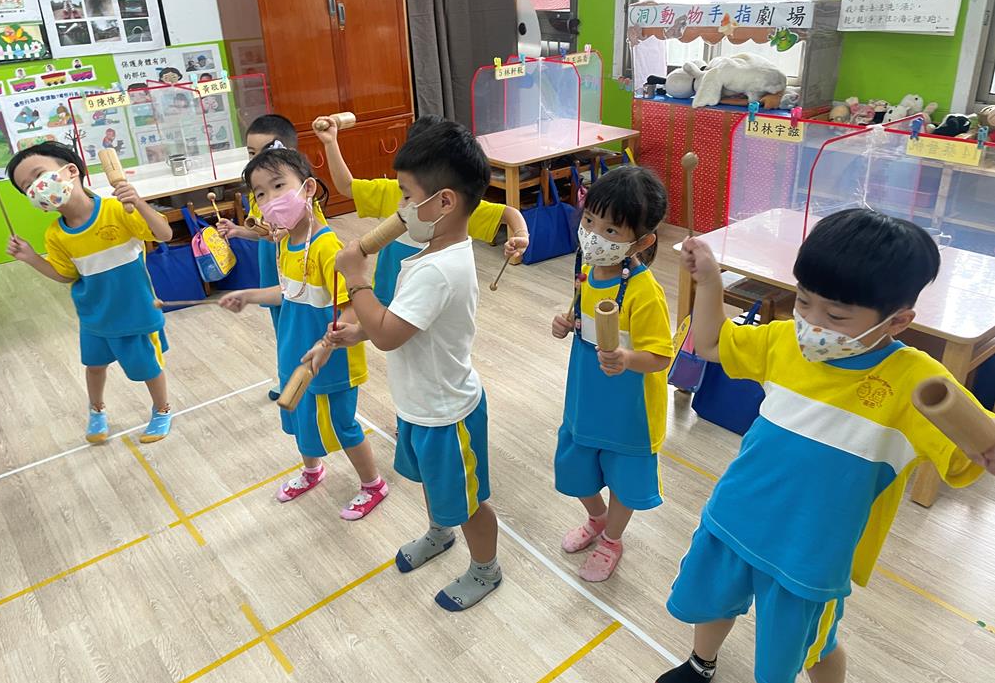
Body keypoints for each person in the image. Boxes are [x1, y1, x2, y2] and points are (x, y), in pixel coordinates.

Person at [660, 209, 995, 683]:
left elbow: (971, 456)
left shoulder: (916, 380)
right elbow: (712, 343)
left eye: (836, 315)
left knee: (812, 648)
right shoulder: (784, 341)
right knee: (713, 601)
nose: (811, 323)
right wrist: (711, 281)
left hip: (810, 554)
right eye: (803, 300)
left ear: (898, 321)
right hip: (735, 514)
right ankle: (701, 663)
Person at [333, 119, 500, 611]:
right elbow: (401, 323)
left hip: (447, 413)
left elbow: (388, 335)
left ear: (445, 202)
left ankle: (486, 569)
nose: (401, 209)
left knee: (468, 502)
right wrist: (360, 329)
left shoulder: (439, 269)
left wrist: (357, 280)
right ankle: (438, 532)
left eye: (407, 196)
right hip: (418, 404)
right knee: (433, 483)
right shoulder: (431, 254)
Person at [218, 148, 388, 520]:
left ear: (307, 188)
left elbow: (349, 307)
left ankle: (373, 484)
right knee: (300, 419)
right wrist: (249, 295)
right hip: (294, 353)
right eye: (261, 193)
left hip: (331, 362)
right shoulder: (284, 244)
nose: (270, 199)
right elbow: (288, 292)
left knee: (342, 426)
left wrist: (326, 345)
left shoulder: (327, 247)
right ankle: (312, 470)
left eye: (279, 186)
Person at [5, 142, 175, 444]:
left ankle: (162, 409)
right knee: (94, 367)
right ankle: (96, 410)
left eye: (38, 175)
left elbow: (164, 234)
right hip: (94, 316)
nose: (35, 187)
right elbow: (66, 275)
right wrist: (31, 258)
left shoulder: (116, 209)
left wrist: (138, 202)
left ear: (71, 171)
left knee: (148, 367)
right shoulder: (55, 234)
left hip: (135, 313)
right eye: (27, 187)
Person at [550, 166, 672, 582]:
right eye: (589, 221)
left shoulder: (643, 290)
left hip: (628, 410)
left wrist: (626, 357)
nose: (593, 235)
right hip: (586, 397)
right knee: (575, 466)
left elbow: (660, 356)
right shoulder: (586, 270)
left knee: (624, 479)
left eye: (611, 230)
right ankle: (597, 519)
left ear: (642, 241)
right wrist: (566, 322)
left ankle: (612, 539)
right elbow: (582, 313)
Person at [313, 114, 529, 308]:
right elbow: (347, 186)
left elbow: (509, 213)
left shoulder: (452, 206)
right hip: (388, 296)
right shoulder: (390, 191)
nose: (403, 203)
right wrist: (331, 143)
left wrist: (521, 235)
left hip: (427, 302)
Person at [217, 114, 326, 400]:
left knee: (299, 323)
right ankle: (286, 374)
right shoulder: (260, 194)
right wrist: (239, 231)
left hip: (298, 272)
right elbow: (264, 232)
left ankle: (303, 375)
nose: (257, 160)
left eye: (264, 151)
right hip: (274, 268)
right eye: (251, 153)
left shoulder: (299, 198)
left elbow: (297, 232)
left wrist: (279, 232)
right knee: (282, 324)